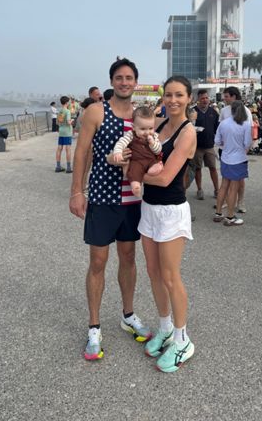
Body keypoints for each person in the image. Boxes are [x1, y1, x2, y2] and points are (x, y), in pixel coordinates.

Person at [69, 57, 151, 361]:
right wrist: (77, 191)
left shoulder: (142, 115)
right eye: (119, 77)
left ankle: (128, 314)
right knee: (98, 262)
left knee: (128, 257)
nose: (124, 82)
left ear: (136, 82)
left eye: (129, 78)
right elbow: (82, 153)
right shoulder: (96, 111)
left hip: (132, 199)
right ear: (112, 81)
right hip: (103, 198)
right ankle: (94, 326)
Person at [139, 75, 196, 373]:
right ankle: (165, 327)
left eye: (179, 95)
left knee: (171, 276)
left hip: (171, 211)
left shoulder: (187, 132)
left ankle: (182, 340)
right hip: (149, 208)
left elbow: (164, 178)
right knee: (153, 272)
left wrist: (130, 174)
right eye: (168, 95)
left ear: (188, 98)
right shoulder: (159, 125)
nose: (173, 100)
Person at [213, 101, 252, 226]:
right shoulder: (246, 124)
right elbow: (247, 143)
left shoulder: (223, 123)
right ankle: (230, 216)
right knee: (234, 188)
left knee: (224, 186)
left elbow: (217, 141)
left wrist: (225, 145)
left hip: (225, 157)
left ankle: (218, 213)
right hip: (239, 158)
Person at [113, 105, 163, 197]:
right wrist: (118, 152)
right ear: (134, 127)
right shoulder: (131, 135)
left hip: (151, 160)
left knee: (155, 163)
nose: (147, 132)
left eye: (150, 128)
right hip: (137, 161)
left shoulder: (155, 136)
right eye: (143, 129)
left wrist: (152, 144)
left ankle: (154, 169)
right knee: (134, 171)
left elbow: (158, 151)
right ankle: (135, 186)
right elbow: (121, 143)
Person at [219, 86, 253, 213]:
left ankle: (240, 201)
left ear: (234, 96)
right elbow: (220, 128)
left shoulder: (246, 111)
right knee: (226, 177)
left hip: (239, 151)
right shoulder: (224, 110)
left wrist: (246, 149)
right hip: (225, 149)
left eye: (227, 96)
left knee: (240, 179)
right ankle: (227, 201)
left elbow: (249, 130)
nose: (224, 99)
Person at [192, 89, 220, 200]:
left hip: (209, 146)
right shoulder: (193, 112)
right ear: (198, 99)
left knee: (213, 168)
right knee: (197, 169)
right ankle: (199, 190)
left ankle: (217, 190)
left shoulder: (213, 112)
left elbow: (218, 129)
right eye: (202, 98)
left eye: (206, 98)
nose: (205, 100)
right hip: (197, 147)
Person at [55, 96, 73, 173]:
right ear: (66, 102)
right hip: (67, 132)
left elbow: (57, 122)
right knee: (68, 149)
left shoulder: (60, 111)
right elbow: (68, 122)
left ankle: (58, 166)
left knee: (59, 148)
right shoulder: (67, 111)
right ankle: (68, 168)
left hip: (61, 131)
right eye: (69, 102)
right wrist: (72, 120)